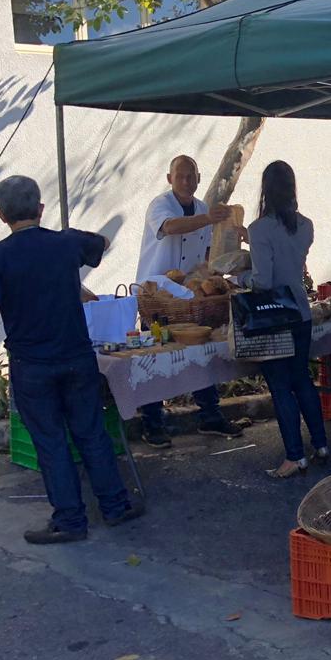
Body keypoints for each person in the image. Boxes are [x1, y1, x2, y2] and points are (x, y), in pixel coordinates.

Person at [0, 176, 140, 544]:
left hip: (33, 366)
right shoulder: (66, 244)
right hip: (77, 358)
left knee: (50, 441)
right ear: (41, 209)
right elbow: (103, 243)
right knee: (91, 432)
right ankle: (116, 506)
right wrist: (74, 243)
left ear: (1, 215)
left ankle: (70, 521)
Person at [134, 155, 244, 447]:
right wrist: (208, 219)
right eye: (180, 176)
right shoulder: (160, 205)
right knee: (155, 357)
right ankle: (152, 422)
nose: (185, 181)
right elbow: (170, 228)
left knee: (201, 353)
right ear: (169, 179)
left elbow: (208, 251)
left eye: (191, 176)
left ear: (198, 178)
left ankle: (210, 416)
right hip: (158, 295)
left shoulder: (204, 208)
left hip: (192, 296)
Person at [248, 161, 328, 478]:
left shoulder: (259, 229)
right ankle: (320, 444)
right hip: (301, 313)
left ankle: (294, 456)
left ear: (265, 189)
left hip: (274, 318)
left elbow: (263, 281)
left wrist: (243, 273)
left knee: (280, 386)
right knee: (302, 380)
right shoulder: (305, 225)